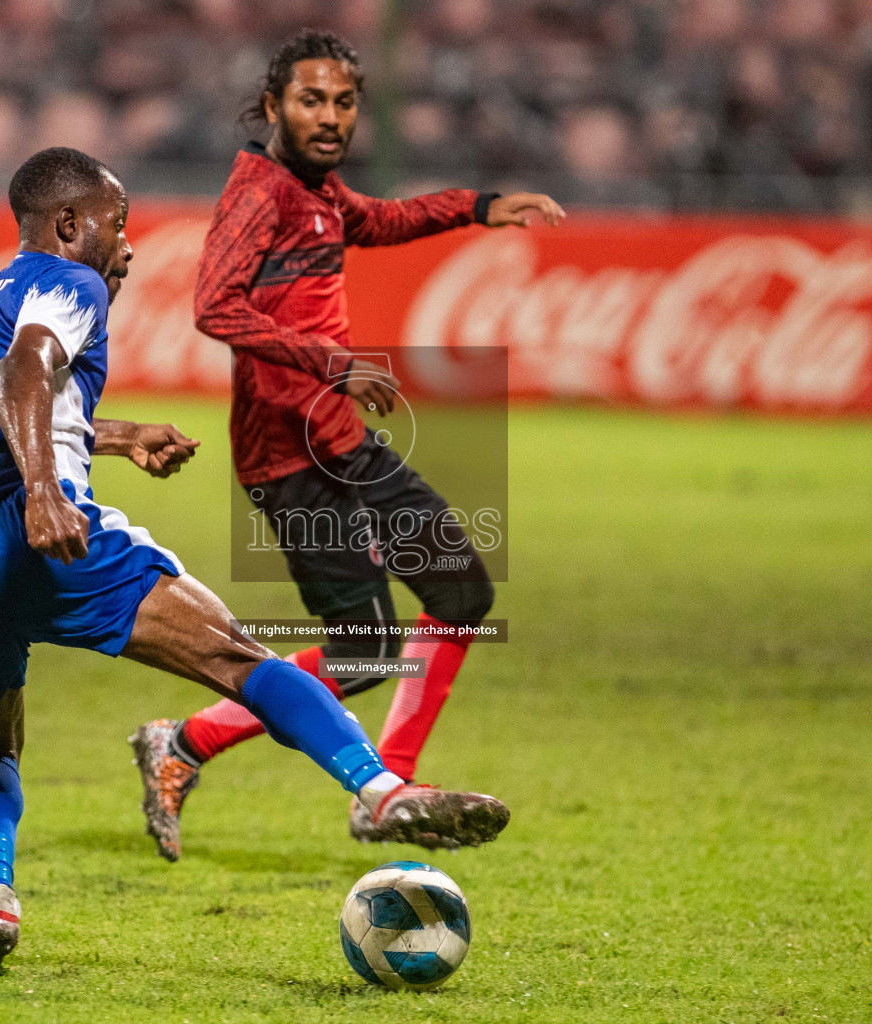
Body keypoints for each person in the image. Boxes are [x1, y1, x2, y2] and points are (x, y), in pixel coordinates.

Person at [0, 146, 508, 977]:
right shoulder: (72, 284)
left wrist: (121, 435)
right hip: (29, 532)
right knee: (237, 655)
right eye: (117, 224)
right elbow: (28, 370)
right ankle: (383, 791)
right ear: (69, 226)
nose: (128, 246)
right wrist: (42, 492)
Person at [129, 29, 563, 861]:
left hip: (343, 443)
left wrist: (476, 206)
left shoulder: (317, 191)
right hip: (288, 462)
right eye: (311, 101)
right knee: (366, 654)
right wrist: (333, 362)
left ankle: (384, 788)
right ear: (271, 107)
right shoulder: (259, 192)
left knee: (461, 596)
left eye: (344, 102)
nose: (330, 117)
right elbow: (214, 307)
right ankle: (182, 742)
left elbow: (381, 218)